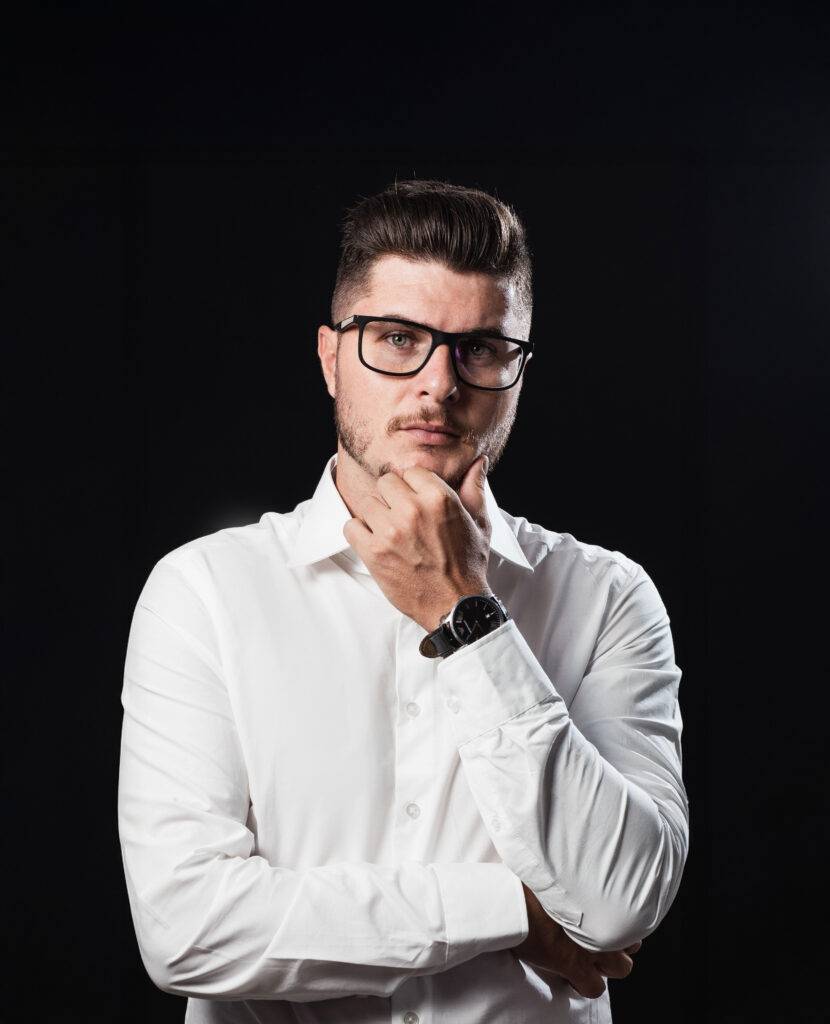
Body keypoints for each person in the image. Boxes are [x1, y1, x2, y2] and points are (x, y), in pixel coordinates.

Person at [118, 179, 689, 1023]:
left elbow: (620, 902)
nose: (439, 384)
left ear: (518, 371)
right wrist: (510, 913)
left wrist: (466, 612)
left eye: (481, 348)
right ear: (330, 358)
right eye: (397, 339)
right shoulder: (203, 591)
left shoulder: (608, 596)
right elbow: (186, 930)